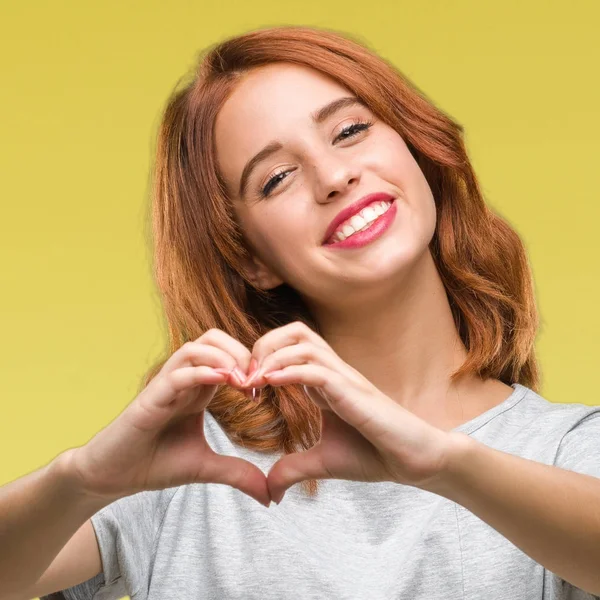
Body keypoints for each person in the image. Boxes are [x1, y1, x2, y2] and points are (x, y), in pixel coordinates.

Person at [2, 24, 600, 600]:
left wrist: (443, 464)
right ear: (251, 260)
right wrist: (81, 479)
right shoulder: (193, 465)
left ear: (418, 151)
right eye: (277, 178)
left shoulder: (564, 449)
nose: (335, 176)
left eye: (349, 131)